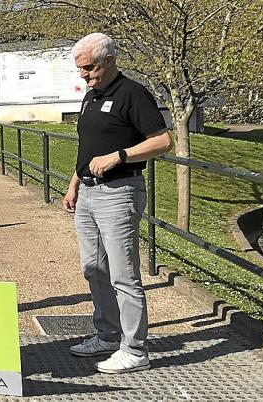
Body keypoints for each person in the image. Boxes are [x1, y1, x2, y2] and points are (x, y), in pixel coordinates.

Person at [61, 33, 172, 374]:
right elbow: (90, 146)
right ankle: (108, 334)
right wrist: (74, 182)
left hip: (119, 192)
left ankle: (135, 350)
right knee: (94, 269)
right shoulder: (92, 96)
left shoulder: (133, 94)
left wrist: (119, 156)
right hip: (89, 193)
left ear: (109, 60)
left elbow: (164, 141)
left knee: (124, 275)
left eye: (89, 67)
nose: (84, 75)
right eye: (80, 69)